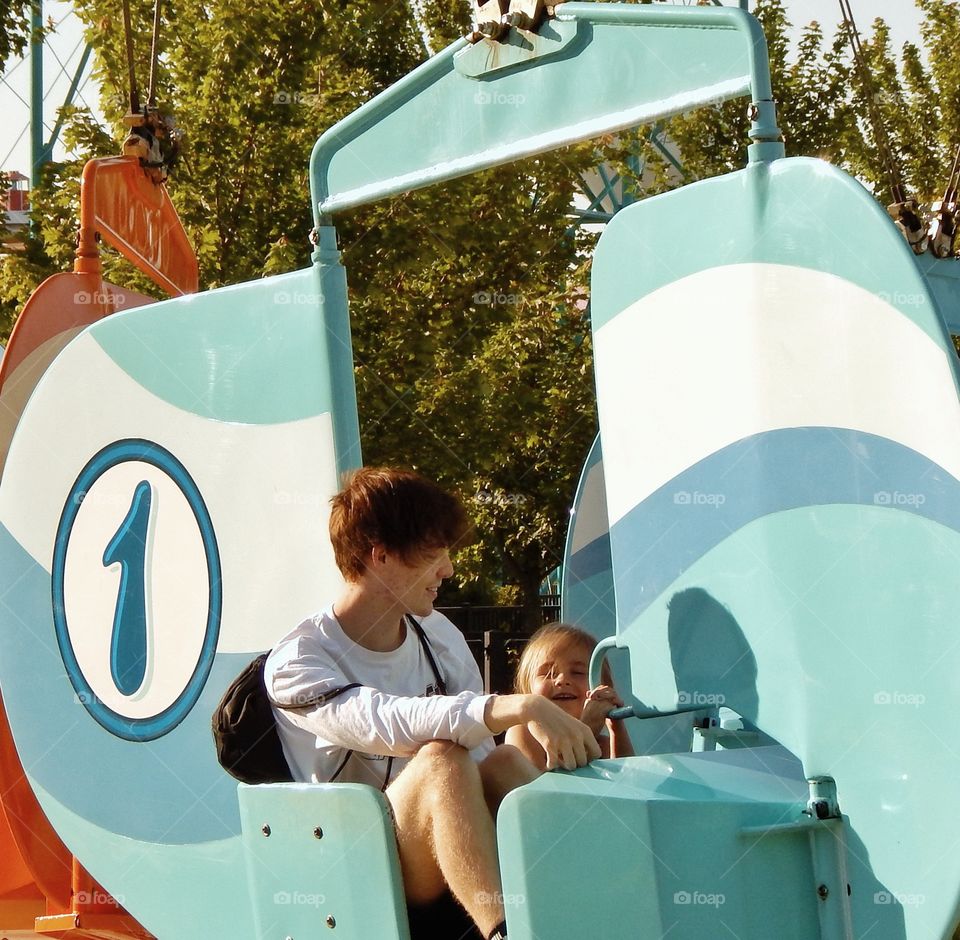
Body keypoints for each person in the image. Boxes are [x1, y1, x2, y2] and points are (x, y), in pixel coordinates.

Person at [264, 467, 600, 940]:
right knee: (441, 758)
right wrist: (522, 707)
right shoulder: (297, 660)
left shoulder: (437, 633)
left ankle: (601, 901)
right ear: (379, 556)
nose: (448, 569)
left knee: (502, 759)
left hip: (448, 850)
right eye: (433, 554)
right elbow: (383, 723)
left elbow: (482, 761)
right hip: (355, 868)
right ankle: (503, 932)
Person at [506, 623, 634, 771]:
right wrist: (588, 727)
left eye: (578, 672)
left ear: (600, 685)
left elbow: (628, 783)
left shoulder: (604, 745)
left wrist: (616, 727)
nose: (562, 680)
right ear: (528, 689)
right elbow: (547, 790)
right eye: (549, 674)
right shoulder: (523, 735)